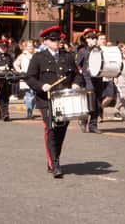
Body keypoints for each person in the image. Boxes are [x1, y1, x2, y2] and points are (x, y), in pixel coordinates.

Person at [26, 25, 83, 179]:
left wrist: (76, 83)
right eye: (53, 39)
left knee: (61, 130)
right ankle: (55, 163)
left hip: (65, 99)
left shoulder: (68, 56)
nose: (57, 41)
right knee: (51, 129)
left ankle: (54, 156)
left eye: (59, 39)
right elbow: (29, 77)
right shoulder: (38, 57)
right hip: (47, 100)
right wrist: (41, 86)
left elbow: (77, 75)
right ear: (45, 42)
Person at [75, 28, 103, 134]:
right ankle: (83, 120)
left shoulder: (100, 50)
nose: (94, 40)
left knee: (97, 103)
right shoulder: (83, 51)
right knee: (89, 101)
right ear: (87, 40)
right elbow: (77, 65)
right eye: (91, 38)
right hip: (87, 79)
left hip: (98, 79)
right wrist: (81, 71)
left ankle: (93, 125)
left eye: (95, 38)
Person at [14, 39, 36, 118]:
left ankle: (31, 108)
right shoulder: (22, 55)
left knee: (34, 96)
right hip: (25, 77)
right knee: (28, 94)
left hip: (35, 77)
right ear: (25, 47)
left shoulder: (36, 55)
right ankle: (29, 111)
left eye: (32, 46)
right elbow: (15, 64)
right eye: (29, 46)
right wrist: (20, 71)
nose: (31, 47)